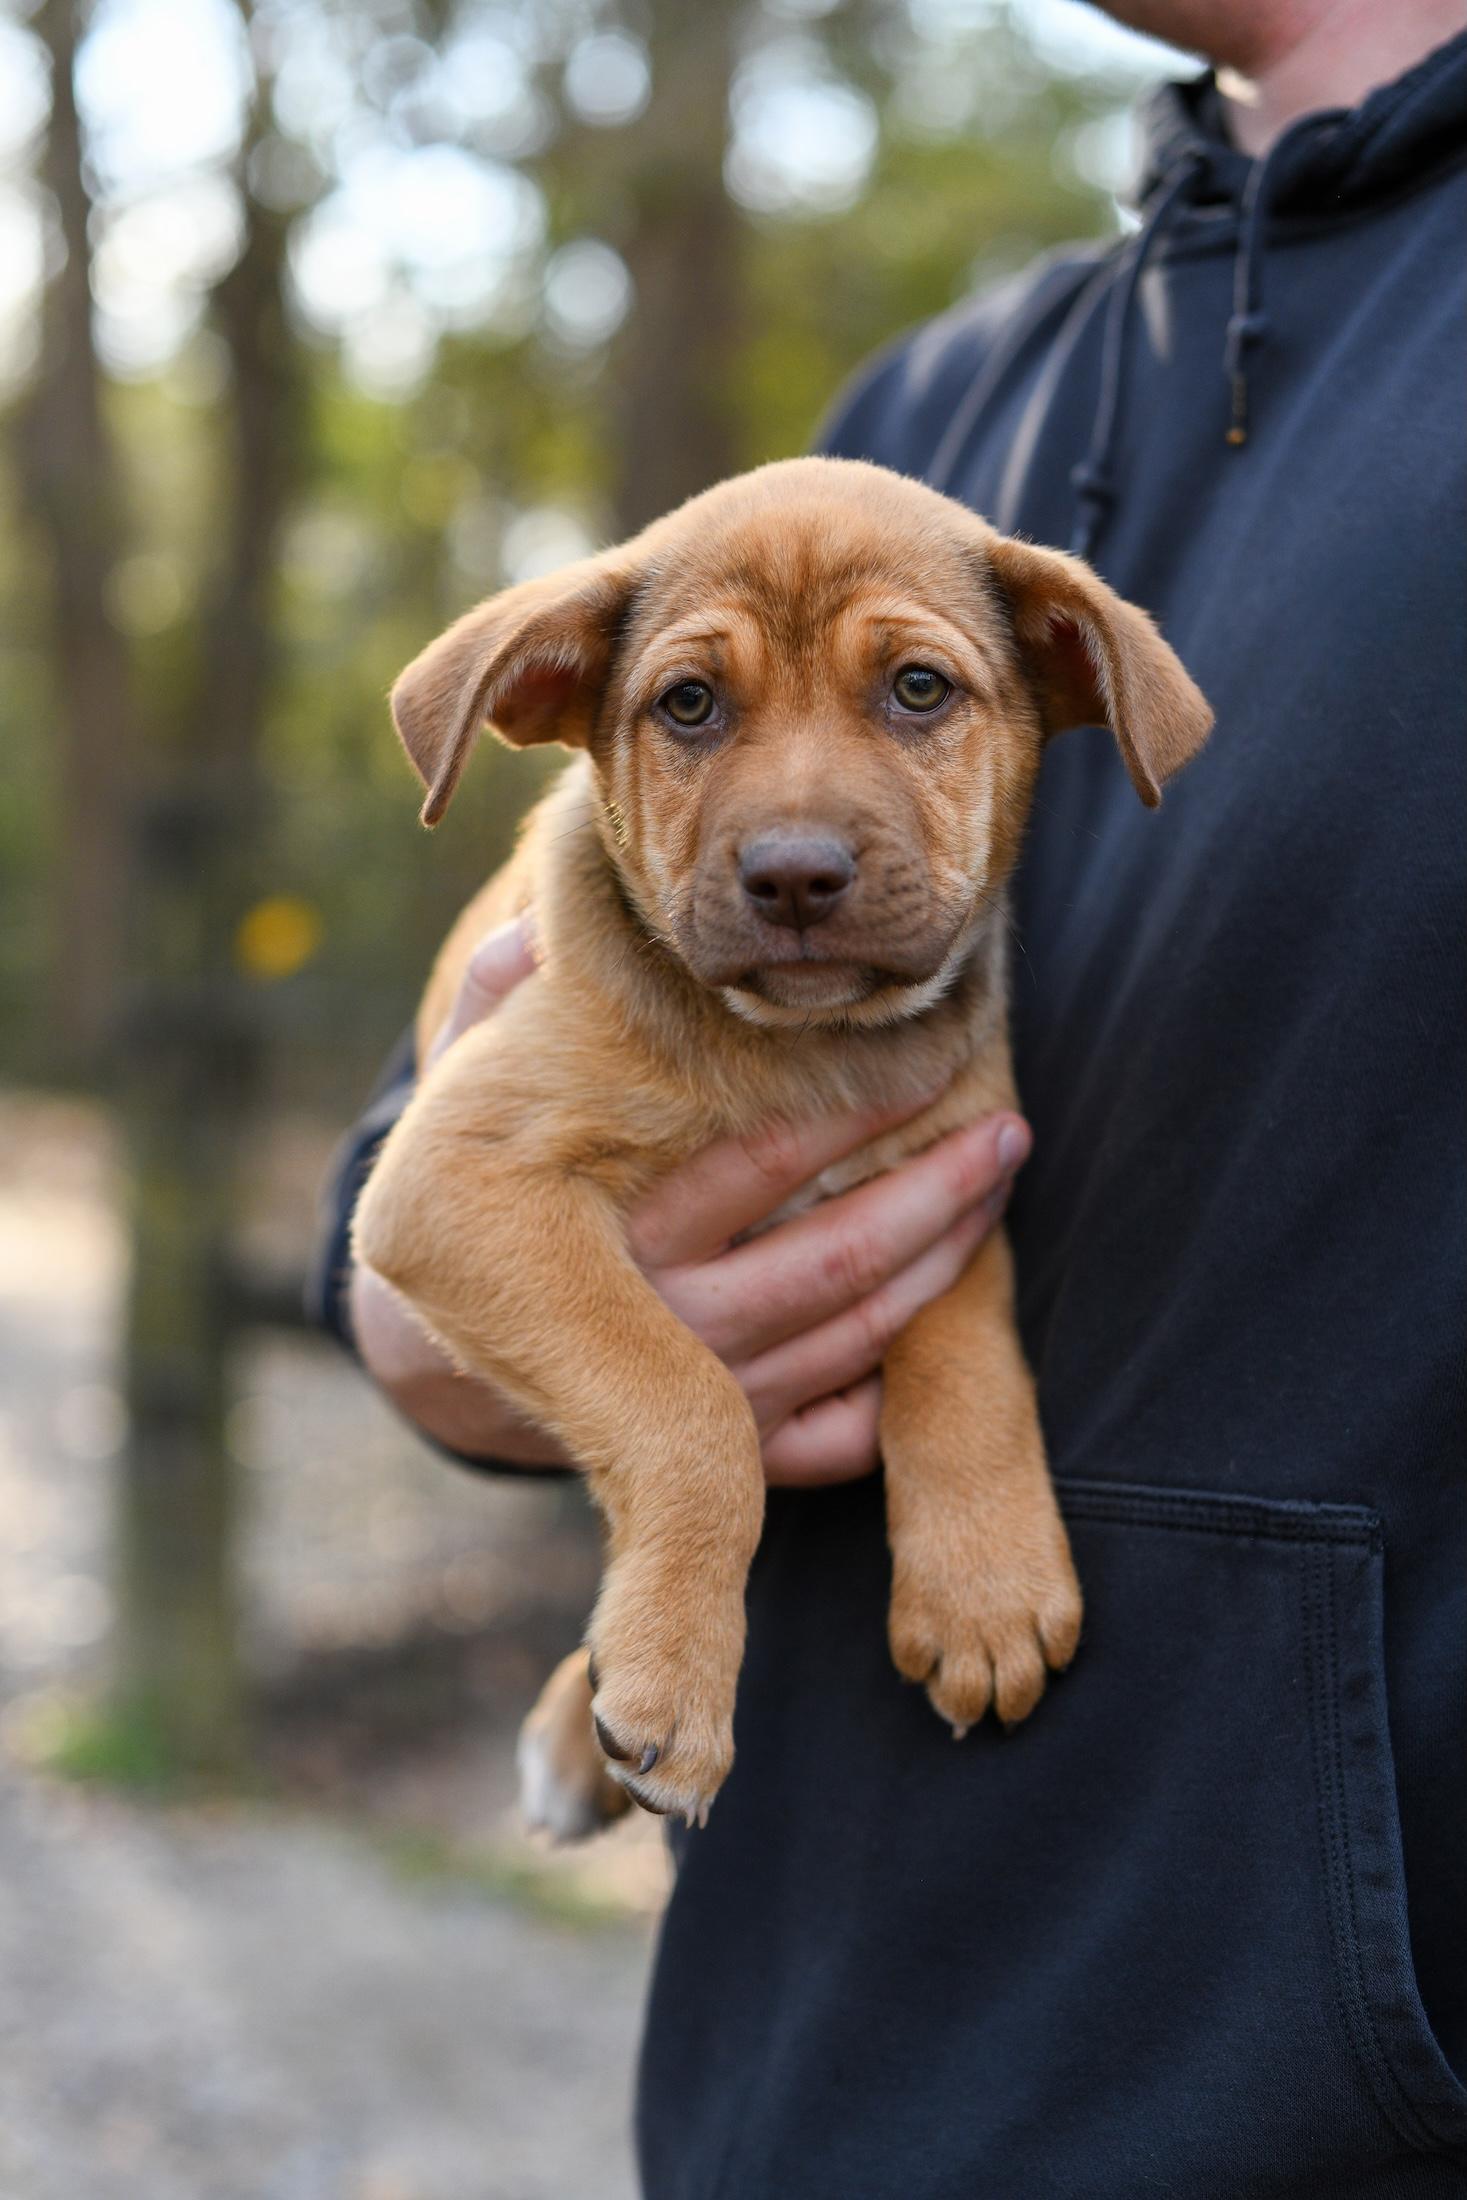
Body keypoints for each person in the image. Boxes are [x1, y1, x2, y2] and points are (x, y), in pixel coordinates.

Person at [313, 3, 1467, 2189]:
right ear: (564, 702)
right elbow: (415, 1201)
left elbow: (946, 1173)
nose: (796, 825)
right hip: (802, 2055)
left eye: (911, 698)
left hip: (1325, 2086)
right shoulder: (935, 403)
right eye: (694, 714)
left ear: (1061, 685)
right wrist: (554, 1390)